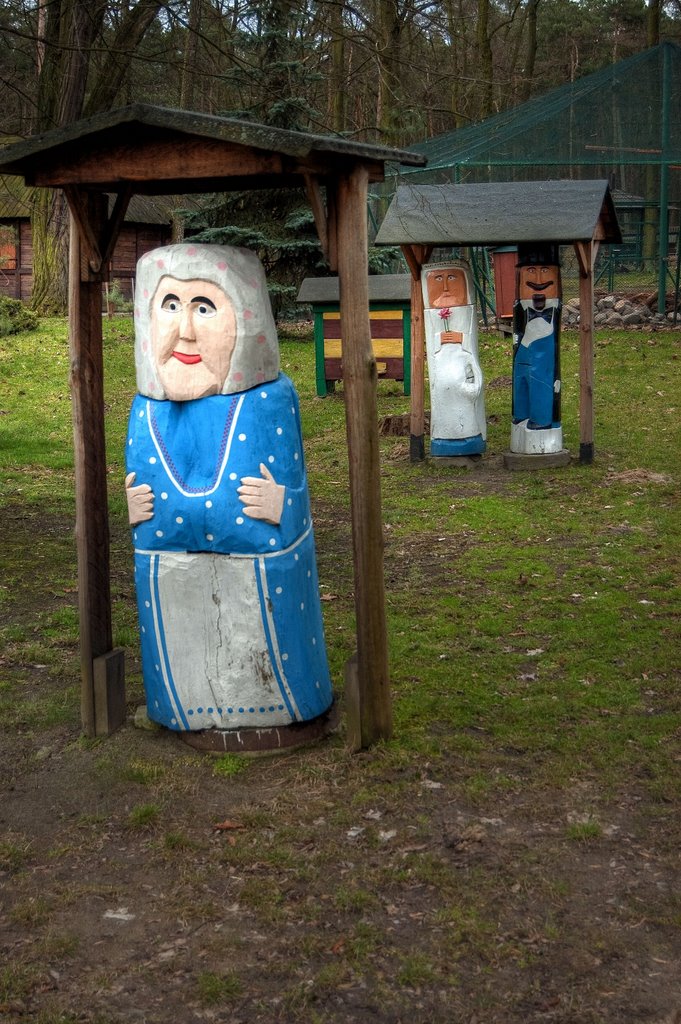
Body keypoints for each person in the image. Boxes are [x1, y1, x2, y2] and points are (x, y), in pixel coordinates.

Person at [125, 243, 333, 733]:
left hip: (258, 578)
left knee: (261, 645)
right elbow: (145, 494)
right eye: (170, 305)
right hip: (170, 574)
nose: (185, 330)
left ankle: (285, 706)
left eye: (204, 307)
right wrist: (134, 506)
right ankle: (179, 707)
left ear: (246, 316)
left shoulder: (269, 401)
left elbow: (295, 496)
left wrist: (284, 502)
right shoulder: (146, 409)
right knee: (181, 644)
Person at [421, 260, 486, 457]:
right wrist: (439, 338)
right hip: (440, 380)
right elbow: (432, 347)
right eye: (438, 279)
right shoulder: (430, 315)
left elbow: (471, 346)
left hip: (462, 378)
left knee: (466, 411)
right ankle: (442, 439)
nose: (446, 287)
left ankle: (470, 439)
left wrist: (461, 338)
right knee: (442, 407)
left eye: (452, 278)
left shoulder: (466, 312)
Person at [510, 243, 563, 455]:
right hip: (522, 353)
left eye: (545, 271)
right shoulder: (519, 306)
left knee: (540, 381)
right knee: (520, 382)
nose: (539, 279)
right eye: (531, 271)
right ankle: (521, 414)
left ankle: (542, 419)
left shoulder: (552, 308)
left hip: (543, 354)